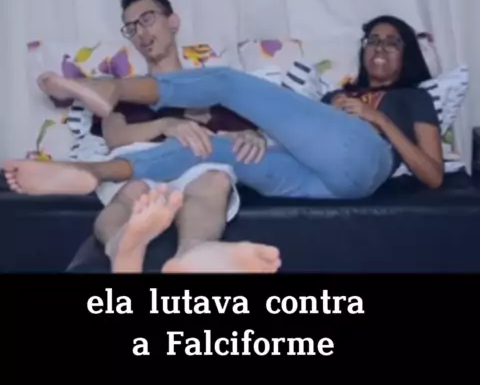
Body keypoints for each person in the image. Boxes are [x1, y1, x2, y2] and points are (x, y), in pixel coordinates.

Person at [4, 15, 444, 269]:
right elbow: (299, 131)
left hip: (369, 158)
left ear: (407, 54)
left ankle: (113, 88)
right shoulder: (335, 97)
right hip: (321, 181)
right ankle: (91, 172)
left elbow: (433, 174)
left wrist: (378, 120)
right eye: (373, 40)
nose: (379, 48)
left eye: (392, 42)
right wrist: (255, 136)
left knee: (229, 84)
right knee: (210, 146)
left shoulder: (413, 98)